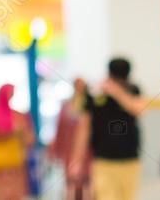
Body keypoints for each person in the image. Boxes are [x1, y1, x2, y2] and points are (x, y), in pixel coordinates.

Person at [71, 57, 145, 200]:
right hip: (103, 159)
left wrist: (117, 92)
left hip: (130, 158)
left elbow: (139, 109)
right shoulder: (95, 93)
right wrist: (76, 160)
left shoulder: (133, 89)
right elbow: (84, 128)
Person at [49, 77, 92, 200]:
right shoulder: (66, 105)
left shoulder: (90, 105)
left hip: (88, 151)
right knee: (71, 182)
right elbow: (59, 128)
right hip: (69, 149)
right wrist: (55, 149)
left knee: (86, 181)